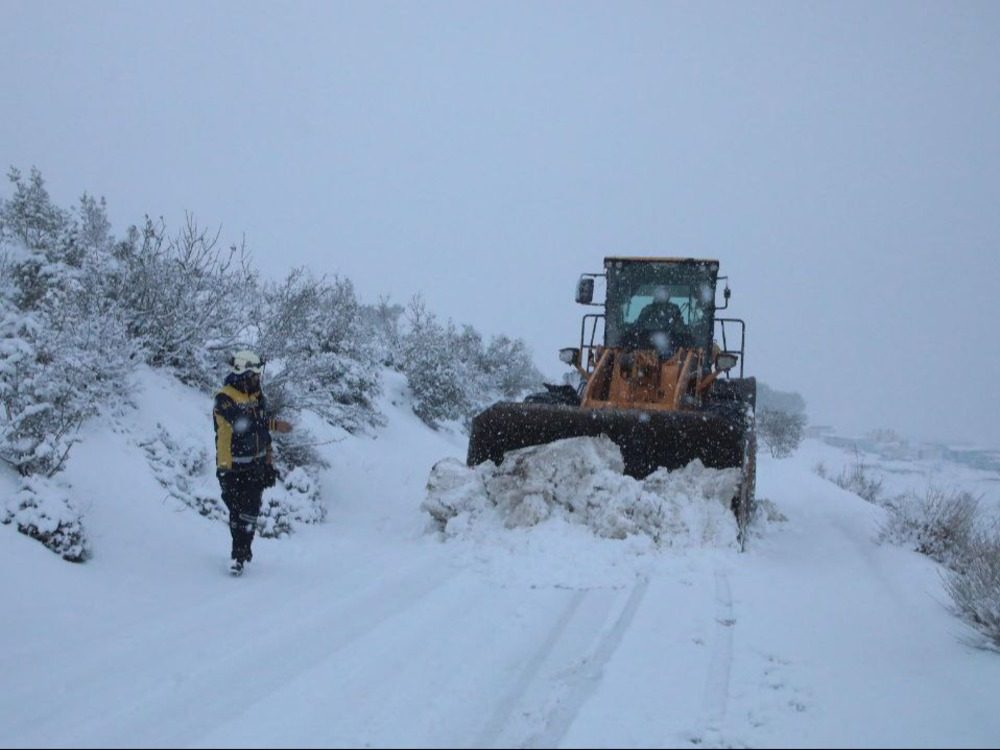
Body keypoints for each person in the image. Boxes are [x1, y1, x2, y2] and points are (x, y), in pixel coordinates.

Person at [213, 349, 292, 575]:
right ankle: (238, 553)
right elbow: (242, 423)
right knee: (237, 511)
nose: (258, 378)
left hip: (256, 465)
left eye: (258, 374)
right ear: (242, 374)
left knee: (251, 511)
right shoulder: (224, 398)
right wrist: (275, 424)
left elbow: (262, 431)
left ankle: (241, 553)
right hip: (231, 466)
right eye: (254, 374)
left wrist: (268, 459)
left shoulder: (256, 395)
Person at [627, 285, 692, 351]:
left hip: (673, 348)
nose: (662, 295)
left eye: (664, 293)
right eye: (660, 292)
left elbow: (681, 329)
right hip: (645, 348)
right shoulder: (647, 310)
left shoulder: (674, 310)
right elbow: (638, 327)